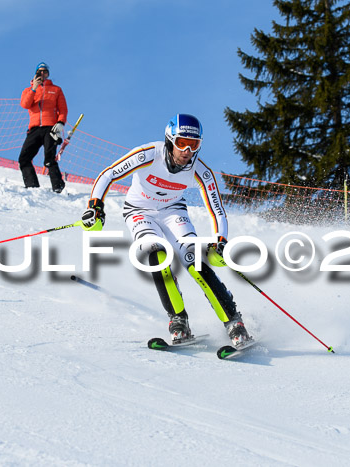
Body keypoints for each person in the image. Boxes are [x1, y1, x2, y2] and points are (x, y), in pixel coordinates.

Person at [81, 113, 252, 347]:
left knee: (194, 259)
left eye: (195, 145)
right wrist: (95, 206)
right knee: (156, 255)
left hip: (174, 212)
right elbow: (109, 174)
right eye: (182, 143)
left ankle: (233, 321)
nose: (188, 151)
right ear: (170, 140)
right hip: (140, 211)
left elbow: (217, 209)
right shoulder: (149, 154)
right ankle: (178, 320)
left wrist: (220, 240)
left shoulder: (200, 170)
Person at [18, 62, 67, 193]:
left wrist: (60, 123)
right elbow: (25, 104)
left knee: (49, 158)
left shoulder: (56, 89)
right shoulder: (28, 90)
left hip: (50, 127)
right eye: (39, 72)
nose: (42, 74)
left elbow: (63, 109)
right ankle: (32, 186)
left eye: (45, 72)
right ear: (35, 74)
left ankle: (58, 186)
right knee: (24, 158)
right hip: (34, 128)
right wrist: (34, 88)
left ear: (48, 74)